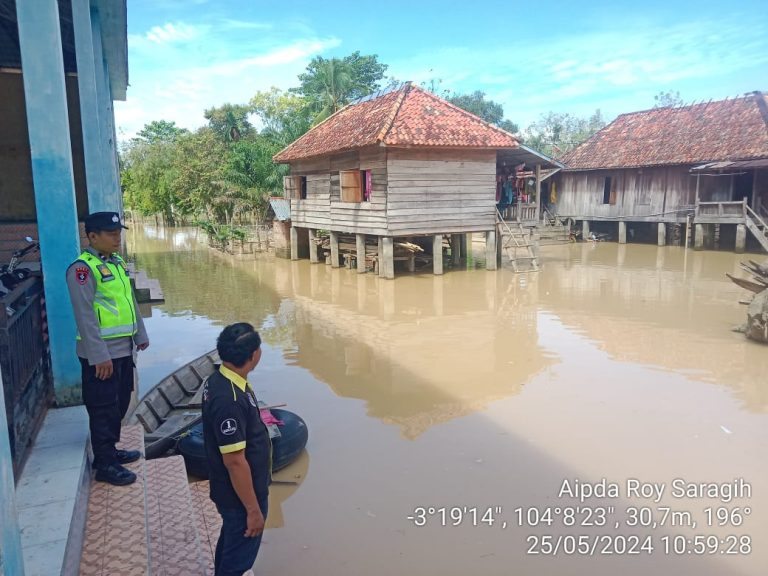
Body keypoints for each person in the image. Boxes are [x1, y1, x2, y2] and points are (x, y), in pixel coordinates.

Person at [66, 211, 149, 486]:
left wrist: (140, 334)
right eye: (111, 234)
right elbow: (85, 316)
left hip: (124, 349)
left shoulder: (116, 263)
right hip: (101, 354)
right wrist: (99, 356)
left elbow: (130, 301)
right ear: (92, 237)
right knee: (102, 407)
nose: (118, 238)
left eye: (118, 233)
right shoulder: (82, 269)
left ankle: (111, 450)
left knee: (121, 401)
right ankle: (104, 464)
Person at [202, 323, 271, 576]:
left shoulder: (222, 379)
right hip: (241, 495)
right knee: (239, 558)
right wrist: (253, 510)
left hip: (236, 492)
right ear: (253, 356)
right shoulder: (229, 400)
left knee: (232, 542)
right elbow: (234, 461)